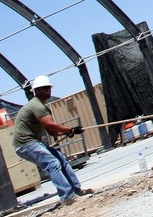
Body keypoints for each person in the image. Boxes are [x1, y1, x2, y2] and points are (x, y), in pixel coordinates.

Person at [11, 76, 92, 205]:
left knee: (61, 158)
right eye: (44, 88)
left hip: (31, 143)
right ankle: (67, 197)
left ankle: (76, 190)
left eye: (48, 87)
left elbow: (52, 132)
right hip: (25, 144)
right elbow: (51, 125)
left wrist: (69, 132)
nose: (48, 90)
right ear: (36, 91)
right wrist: (70, 129)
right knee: (52, 163)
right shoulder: (36, 106)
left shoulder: (41, 107)